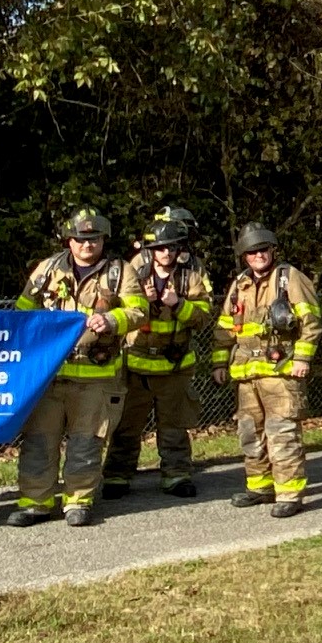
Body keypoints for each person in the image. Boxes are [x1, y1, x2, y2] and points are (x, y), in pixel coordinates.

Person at [10, 209, 142, 528]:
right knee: (39, 441)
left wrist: (112, 320)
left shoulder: (119, 271)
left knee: (86, 443)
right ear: (69, 240)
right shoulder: (46, 270)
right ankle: (35, 502)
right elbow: (21, 312)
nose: (87, 245)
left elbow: (139, 311)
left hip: (98, 376)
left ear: (103, 240)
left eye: (94, 239)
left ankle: (78, 501)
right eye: (81, 239)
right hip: (49, 377)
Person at [103, 207, 213, 499]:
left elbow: (203, 317)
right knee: (126, 424)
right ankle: (116, 476)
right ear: (151, 248)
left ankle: (176, 476)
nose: (166, 252)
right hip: (136, 366)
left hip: (174, 367)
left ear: (181, 248)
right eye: (160, 247)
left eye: (172, 247)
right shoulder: (134, 269)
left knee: (174, 427)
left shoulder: (192, 273)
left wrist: (178, 304)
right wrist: (148, 303)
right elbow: (118, 312)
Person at [214, 223, 322, 516]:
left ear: (273, 250)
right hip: (247, 375)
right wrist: (219, 362)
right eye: (252, 251)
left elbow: (311, 322)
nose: (258, 255)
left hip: (282, 372)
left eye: (263, 249)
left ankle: (289, 494)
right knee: (250, 433)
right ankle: (260, 488)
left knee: (282, 433)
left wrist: (302, 359)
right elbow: (225, 328)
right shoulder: (240, 285)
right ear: (244, 256)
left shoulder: (290, 278)